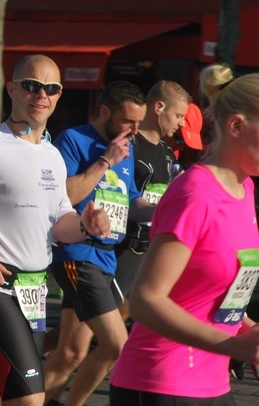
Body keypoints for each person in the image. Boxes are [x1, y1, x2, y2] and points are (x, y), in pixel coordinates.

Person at [0, 54, 110, 406]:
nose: (40, 95)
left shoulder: (51, 155)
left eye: (51, 88)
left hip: (32, 291)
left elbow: (60, 223)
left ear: (59, 95)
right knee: (29, 400)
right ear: (12, 89)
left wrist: (86, 226)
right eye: (31, 86)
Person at [110, 63, 259, 405]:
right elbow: (146, 302)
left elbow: (211, 293)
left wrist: (245, 327)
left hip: (212, 382)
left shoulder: (244, 188)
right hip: (161, 383)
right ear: (237, 125)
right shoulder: (195, 193)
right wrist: (232, 345)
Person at [43, 80, 156, 406]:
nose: (135, 130)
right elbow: (63, 195)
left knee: (71, 353)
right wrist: (105, 160)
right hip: (79, 254)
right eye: (128, 121)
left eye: (139, 122)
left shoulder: (126, 146)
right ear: (105, 111)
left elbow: (131, 199)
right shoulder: (74, 140)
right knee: (118, 345)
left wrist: (162, 210)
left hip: (107, 259)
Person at [116, 81, 190, 320]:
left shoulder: (167, 154)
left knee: (110, 332)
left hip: (148, 248)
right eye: (178, 115)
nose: (181, 123)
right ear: (159, 107)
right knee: (86, 333)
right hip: (120, 246)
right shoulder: (128, 143)